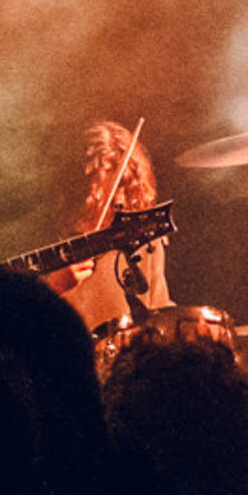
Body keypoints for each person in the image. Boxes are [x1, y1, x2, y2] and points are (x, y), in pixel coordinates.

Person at [47, 117, 174, 334]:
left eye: (127, 190)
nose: (119, 200)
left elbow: (158, 312)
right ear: (79, 188)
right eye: (102, 193)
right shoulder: (42, 239)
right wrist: (54, 288)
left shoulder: (144, 242)